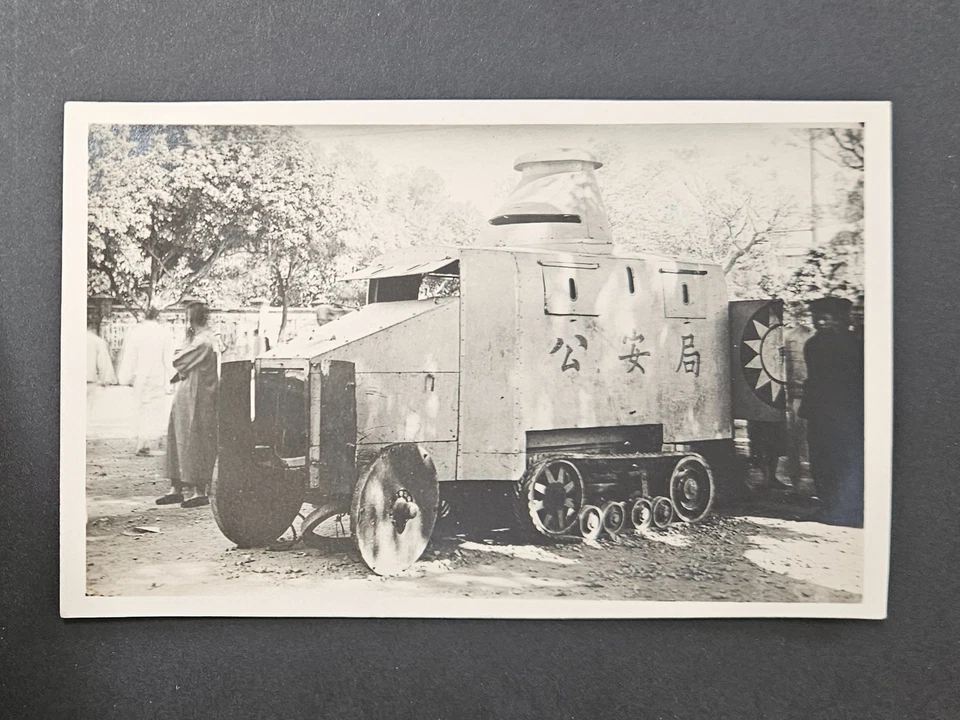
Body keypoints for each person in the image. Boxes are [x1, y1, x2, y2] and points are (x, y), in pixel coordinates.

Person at [798, 296, 865, 527]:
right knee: (821, 458)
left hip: (848, 411)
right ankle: (827, 506)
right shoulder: (814, 344)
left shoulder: (856, 344)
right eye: (817, 318)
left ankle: (846, 509)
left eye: (826, 318)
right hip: (821, 410)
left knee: (844, 459)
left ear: (840, 319)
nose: (820, 323)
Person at [157, 300, 220, 509]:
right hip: (188, 392)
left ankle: (198, 490)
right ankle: (177, 487)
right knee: (178, 436)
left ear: (192, 320)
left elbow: (178, 361)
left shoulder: (203, 342)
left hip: (197, 394)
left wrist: (180, 357)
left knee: (194, 439)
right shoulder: (202, 340)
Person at [118, 307, 174, 456]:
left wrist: (126, 377)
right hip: (157, 376)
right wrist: (173, 377)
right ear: (158, 317)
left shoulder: (136, 332)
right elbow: (168, 360)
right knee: (153, 409)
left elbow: (130, 357)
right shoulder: (165, 333)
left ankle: (141, 442)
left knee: (141, 408)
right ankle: (145, 443)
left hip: (140, 375)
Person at [86, 318, 117, 416]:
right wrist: (103, 380)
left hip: (72, 380)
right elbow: (103, 363)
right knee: (87, 409)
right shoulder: (97, 341)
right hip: (90, 379)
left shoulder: (70, 339)